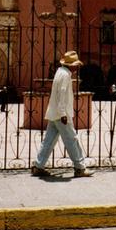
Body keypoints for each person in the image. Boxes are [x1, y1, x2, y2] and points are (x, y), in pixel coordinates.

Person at [32, 50, 93, 178]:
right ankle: (80, 167)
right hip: (61, 114)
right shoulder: (65, 75)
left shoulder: (60, 72)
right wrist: (63, 114)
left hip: (54, 113)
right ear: (71, 65)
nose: (77, 67)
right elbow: (61, 94)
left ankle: (38, 166)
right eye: (76, 65)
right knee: (72, 140)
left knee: (49, 141)